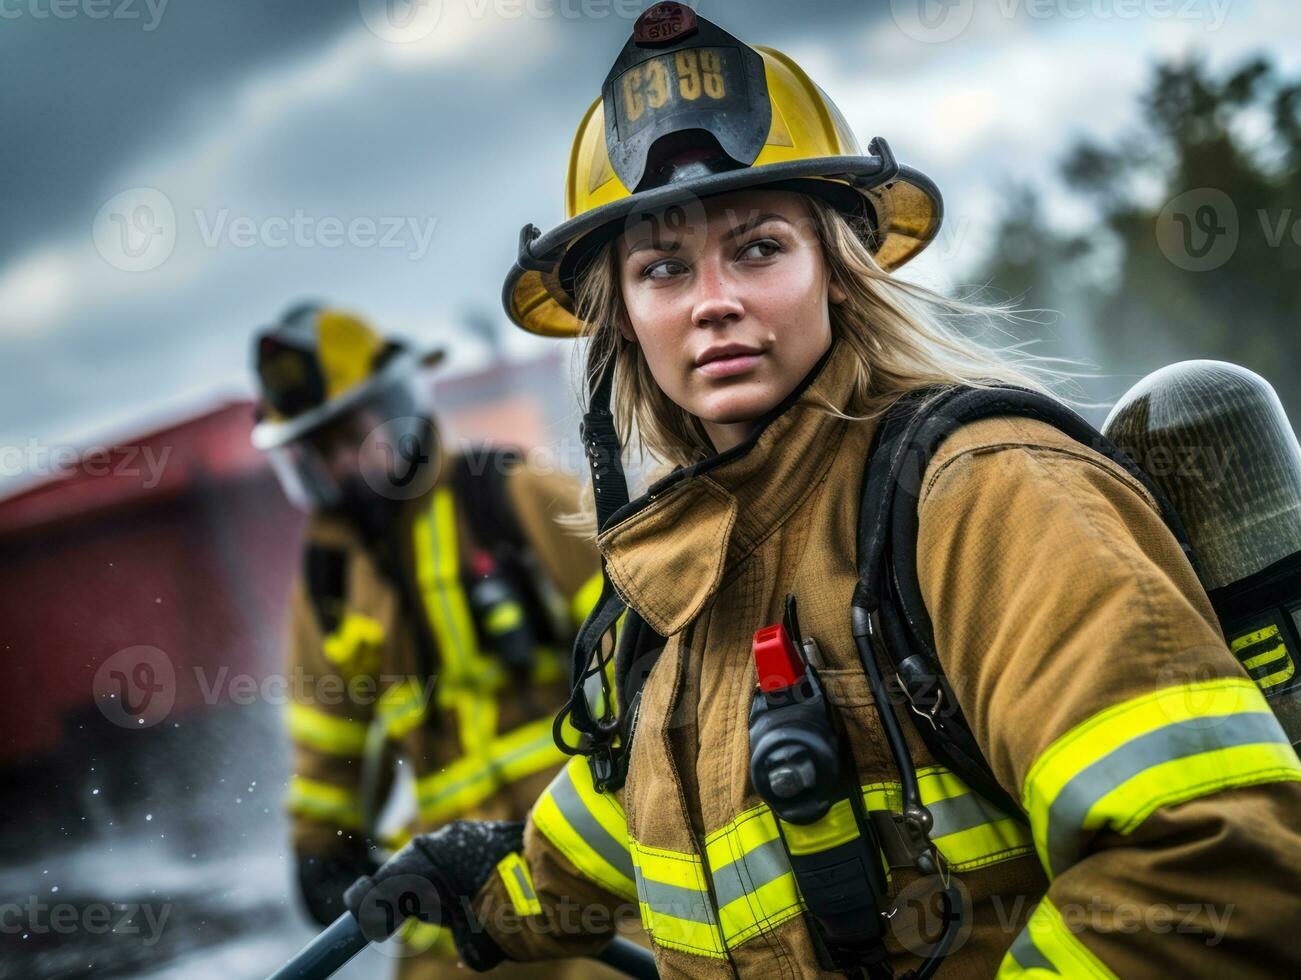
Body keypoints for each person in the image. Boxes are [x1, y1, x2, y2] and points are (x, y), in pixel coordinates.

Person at [354, 5, 1301, 977]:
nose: (711, 299)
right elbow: (649, 797)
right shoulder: (671, 597)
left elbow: (1207, 863)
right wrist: (499, 884)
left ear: (837, 271)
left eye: (757, 247)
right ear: (621, 321)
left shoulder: (977, 495)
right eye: (662, 268)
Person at [250, 304, 606, 978]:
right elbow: (327, 743)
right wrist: (319, 846)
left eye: (351, 436)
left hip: (590, 879)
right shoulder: (330, 579)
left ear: (398, 409)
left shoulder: (511, 496)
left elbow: (647, 655)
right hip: (453, 912)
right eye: (319, 450)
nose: (341, 465)